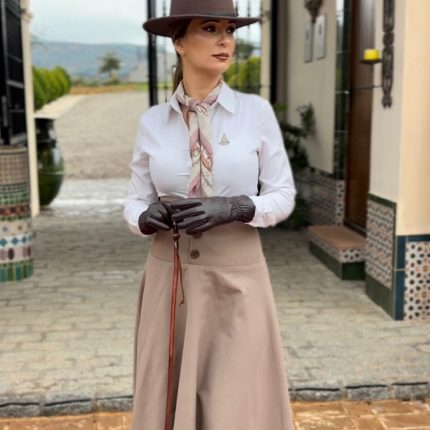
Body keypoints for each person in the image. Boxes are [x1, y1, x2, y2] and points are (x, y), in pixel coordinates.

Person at [123, 0, 297, 428]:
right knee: (166, 391)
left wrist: (236, 206)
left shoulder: (255, 113)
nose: (225, 40)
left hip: (237, 279)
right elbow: (134, 199)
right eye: (210, 29)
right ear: (179, 43)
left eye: (229, 30)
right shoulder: (153, 122)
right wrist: (144, 218)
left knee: (235, 401)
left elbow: (283, 195)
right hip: (170, 278)